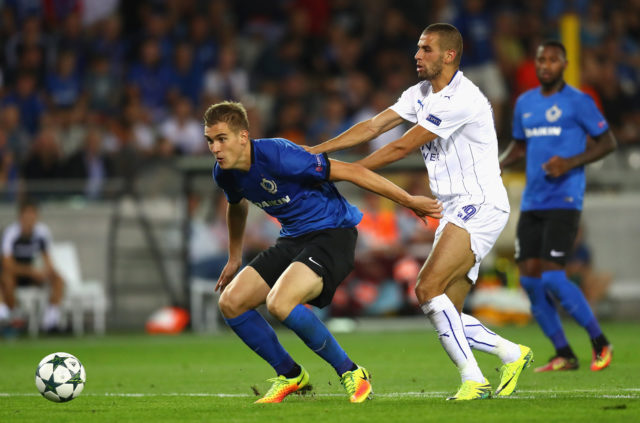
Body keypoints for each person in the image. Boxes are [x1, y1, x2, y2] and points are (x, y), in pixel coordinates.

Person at [308, 23, 532, 401]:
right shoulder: (421, 93)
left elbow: (400, 148)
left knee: (426, 288)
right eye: (417, 48)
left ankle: (473, 381)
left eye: (426, 49)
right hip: (455, 208)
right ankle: (511, 353)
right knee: (448, 310)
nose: (417, 55)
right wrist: (316, 152)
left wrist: (345, 172)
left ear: (449, 55)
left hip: (478, 203)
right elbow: (375, 125)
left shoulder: (460, 99)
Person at [206, 101, 442, 404]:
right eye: (210, 141)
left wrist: (408, 200)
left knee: (280, 302)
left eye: (221, 138)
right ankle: (291, 375)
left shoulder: (280, 155)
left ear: (243, 137)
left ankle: (351, 372)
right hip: (292, 239)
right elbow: (236, 206)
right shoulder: (224, 173)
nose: (215, 148)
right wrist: (235, 257)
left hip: (333, 234)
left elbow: (353, 171)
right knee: (231, 302)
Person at [500, 40, 616, 372]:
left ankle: (600, 342)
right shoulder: (525, 103)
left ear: (564, 64)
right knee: (530, 282)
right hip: (533, 200)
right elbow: (519, 148)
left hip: (564, 199)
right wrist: (497, 164)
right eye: (541, 60)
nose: (545, 65)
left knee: (552, 278)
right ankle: (564, 353)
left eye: (552, 60)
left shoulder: (579, 102)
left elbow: (608, 142)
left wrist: (570, 162)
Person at [1, 199, 65, 332]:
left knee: (58, 278)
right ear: (20, 217)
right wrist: (30, 271)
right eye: (26, 215)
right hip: (16, 274)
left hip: (33, 275)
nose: (30, 219)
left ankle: (50, 321)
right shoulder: (11, 233)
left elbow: (48, 259)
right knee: (6, 277)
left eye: (32, 215)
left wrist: (45, 272)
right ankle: (12, 317)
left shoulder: (42, 232)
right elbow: (7, 264)